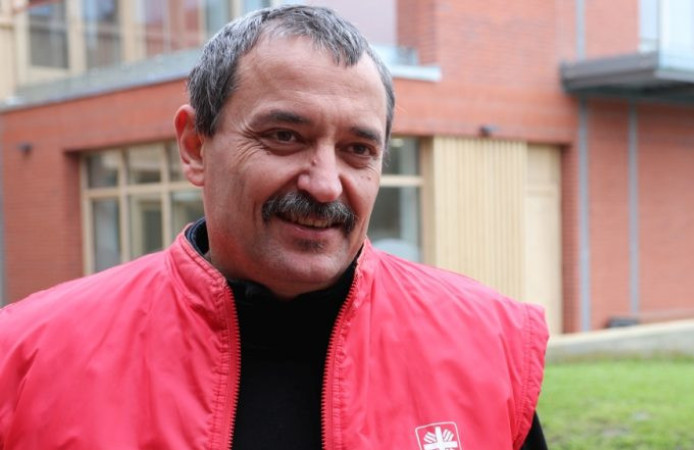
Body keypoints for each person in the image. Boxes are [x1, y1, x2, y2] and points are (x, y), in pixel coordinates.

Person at [0, 5, 549, 449]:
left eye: (358, 149)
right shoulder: (25, 360)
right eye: (285, 137)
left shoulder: (490, 347)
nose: (326, 185)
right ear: (195, 147)